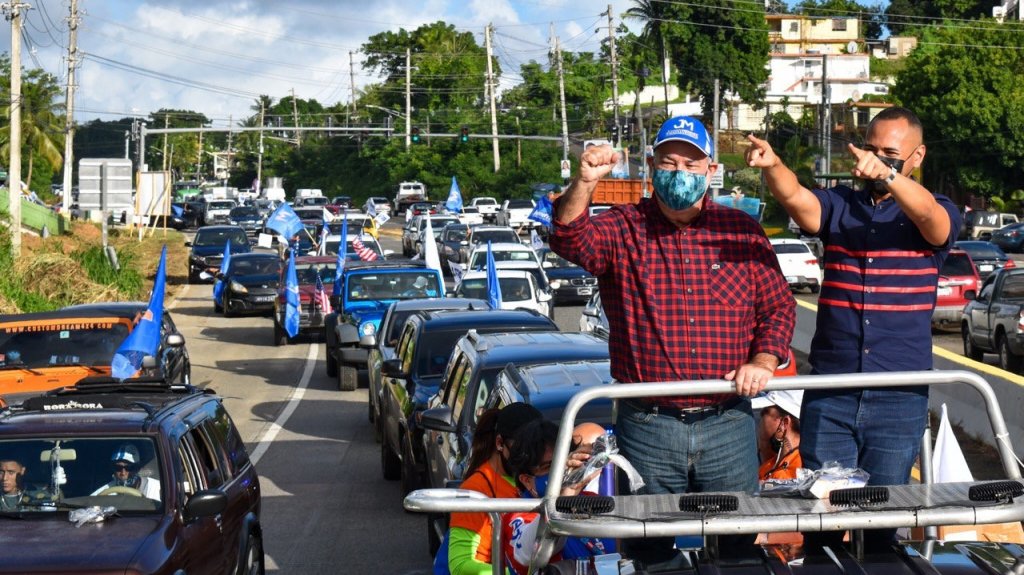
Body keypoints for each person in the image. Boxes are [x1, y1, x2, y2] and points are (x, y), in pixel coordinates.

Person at [550, 116, 796, 565]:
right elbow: (569, 239)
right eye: (669, 162)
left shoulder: (740, 230)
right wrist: (584, 182)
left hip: (727, 421)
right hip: (648, 426)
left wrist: (762, 360)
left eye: (690, 163)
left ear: (710, 169)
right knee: (648, 548)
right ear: (650, 166)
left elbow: (778, 307)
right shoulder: (623, 227)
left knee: (736, 546)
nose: (679, 172)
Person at [744, 106, 961, 552]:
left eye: (891, 153)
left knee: (882, 523)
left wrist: (890, 178)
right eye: (872, 149)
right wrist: (774, 166)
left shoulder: (935, 209)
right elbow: (801, 203)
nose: (877, 159)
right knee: (821, 520)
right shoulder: (842, 202)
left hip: (898, 397)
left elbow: (934, 225)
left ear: (916, 156)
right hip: (833, 390)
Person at [752, 390, 803, 481]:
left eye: (764, 414)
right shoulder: (770, 465)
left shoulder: (797, 471)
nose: (760, 422)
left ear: (785, 423)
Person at [91, 444, 161, 501]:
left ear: (137, 468)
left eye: (129, 467)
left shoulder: (157, 489)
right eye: (118, 468)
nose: (123, 473)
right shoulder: (101, 494)